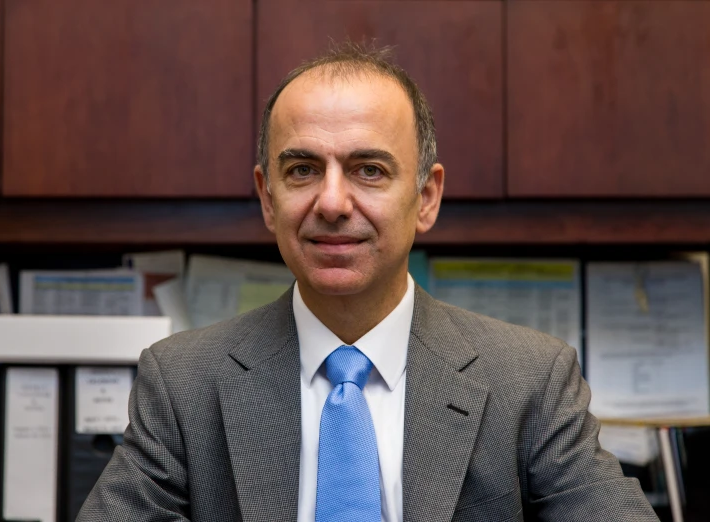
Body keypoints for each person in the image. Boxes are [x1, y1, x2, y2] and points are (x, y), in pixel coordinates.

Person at [78, 43, 658, 522]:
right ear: (267, 198)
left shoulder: (529, 379)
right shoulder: (182, 383)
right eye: (302, 169)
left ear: (425, 197)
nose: (331, 202)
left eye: (369, 170)